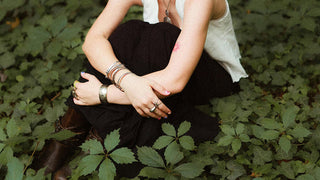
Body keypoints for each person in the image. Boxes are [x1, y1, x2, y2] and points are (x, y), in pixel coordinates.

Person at [33, 0, 248, 179]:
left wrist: (104, 94)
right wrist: (127, 81)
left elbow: (175, 80)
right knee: (129, 32)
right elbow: (92, 41)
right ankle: (67, 137)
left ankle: (99, 144)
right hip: (152, 77)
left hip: (210, 79)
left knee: (162, 35)